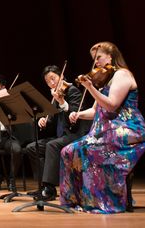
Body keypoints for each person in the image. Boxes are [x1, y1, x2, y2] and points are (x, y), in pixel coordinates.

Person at [58, 41, 145, 214]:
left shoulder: (122, 75)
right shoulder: (107, 80)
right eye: (94, 59)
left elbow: (111, 105)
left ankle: (106, 201)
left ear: (111, 56)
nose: (96, 63)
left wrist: (90, 87)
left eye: (98, 58)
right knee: (68, 151)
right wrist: (78, 114)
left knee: (93, 150)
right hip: (107, 130)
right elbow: (96, 111)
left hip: (126, 129)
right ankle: (80, 200)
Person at [24, 65, 91, 201]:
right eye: (48, 82)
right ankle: (43, 186)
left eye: (53, 79)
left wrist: (62, 102)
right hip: (61, 136)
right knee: (32, 147)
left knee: (52, 145)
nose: (51, 83)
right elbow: (52, 123)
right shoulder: (55, 96)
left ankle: (49, 187)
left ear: (61, 76)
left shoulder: (73, 92)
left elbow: (74, 119)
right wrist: (44, 121)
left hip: (76, 134)